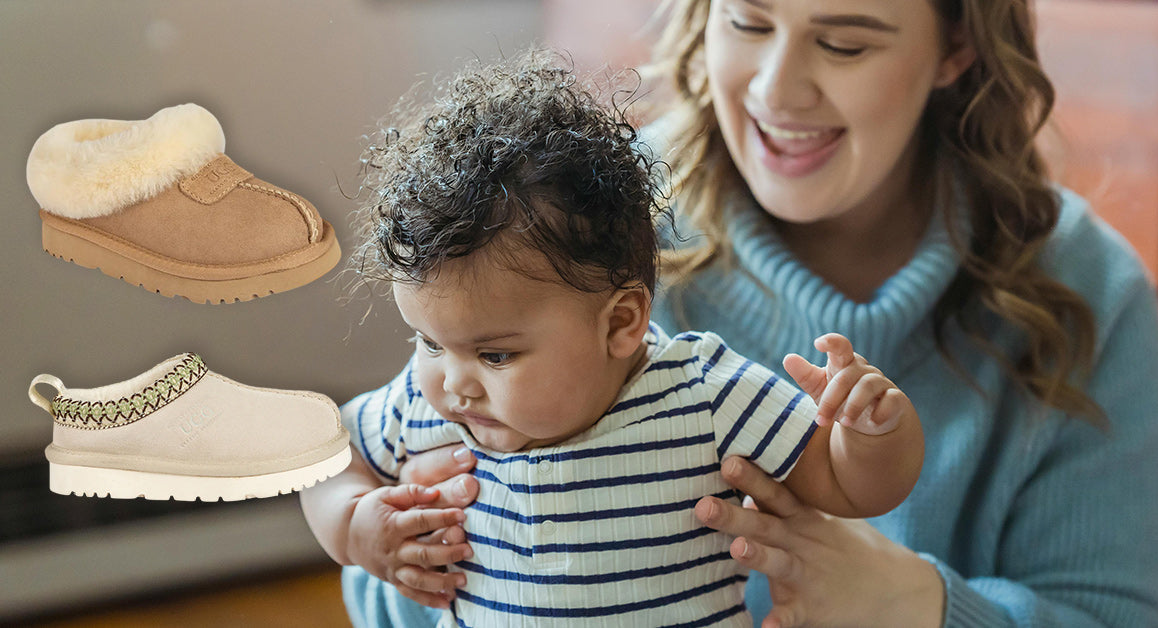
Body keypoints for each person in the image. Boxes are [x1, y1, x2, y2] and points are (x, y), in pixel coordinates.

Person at [335, 0, 1158, 626]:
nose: (779, 90)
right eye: (746, 21)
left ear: (957, 44)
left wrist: (918, 606)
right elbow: (371, 524)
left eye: (845, 41)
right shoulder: (570, 229)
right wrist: (426, 551)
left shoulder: (1085, 288)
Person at [300, 51, 926, 627]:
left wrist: (871, 432)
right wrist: (355, 526)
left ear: (621, 323)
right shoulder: (422, 402)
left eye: (496, 355)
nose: (453, 383)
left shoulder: (702, 395)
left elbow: (850, 488)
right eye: (429, 343)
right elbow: (327, 458)